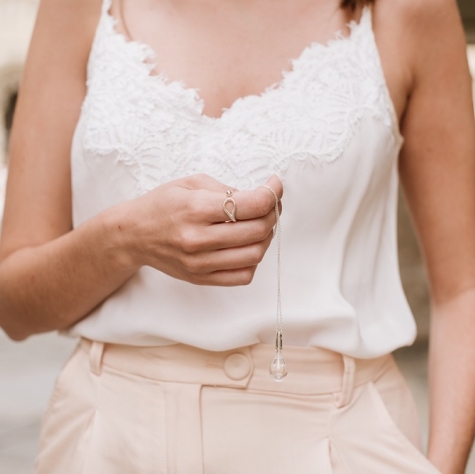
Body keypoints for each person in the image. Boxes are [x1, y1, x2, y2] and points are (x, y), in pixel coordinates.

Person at [1, 0, 474, 471]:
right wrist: (125, 239)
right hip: (111, 446)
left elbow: (464, 289)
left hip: (340, 443)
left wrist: (447, 464)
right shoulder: (77, 7)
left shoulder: (408, 11)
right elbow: (14, 305)